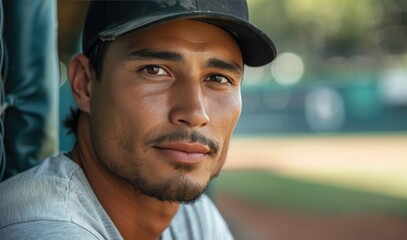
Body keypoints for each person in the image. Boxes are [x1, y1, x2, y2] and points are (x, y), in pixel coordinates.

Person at [0, 0, 276, 239]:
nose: (195, 113)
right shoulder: (42, 228)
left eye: (218, 78)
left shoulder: (192, 216)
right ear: (85, 84)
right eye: (155, 70)